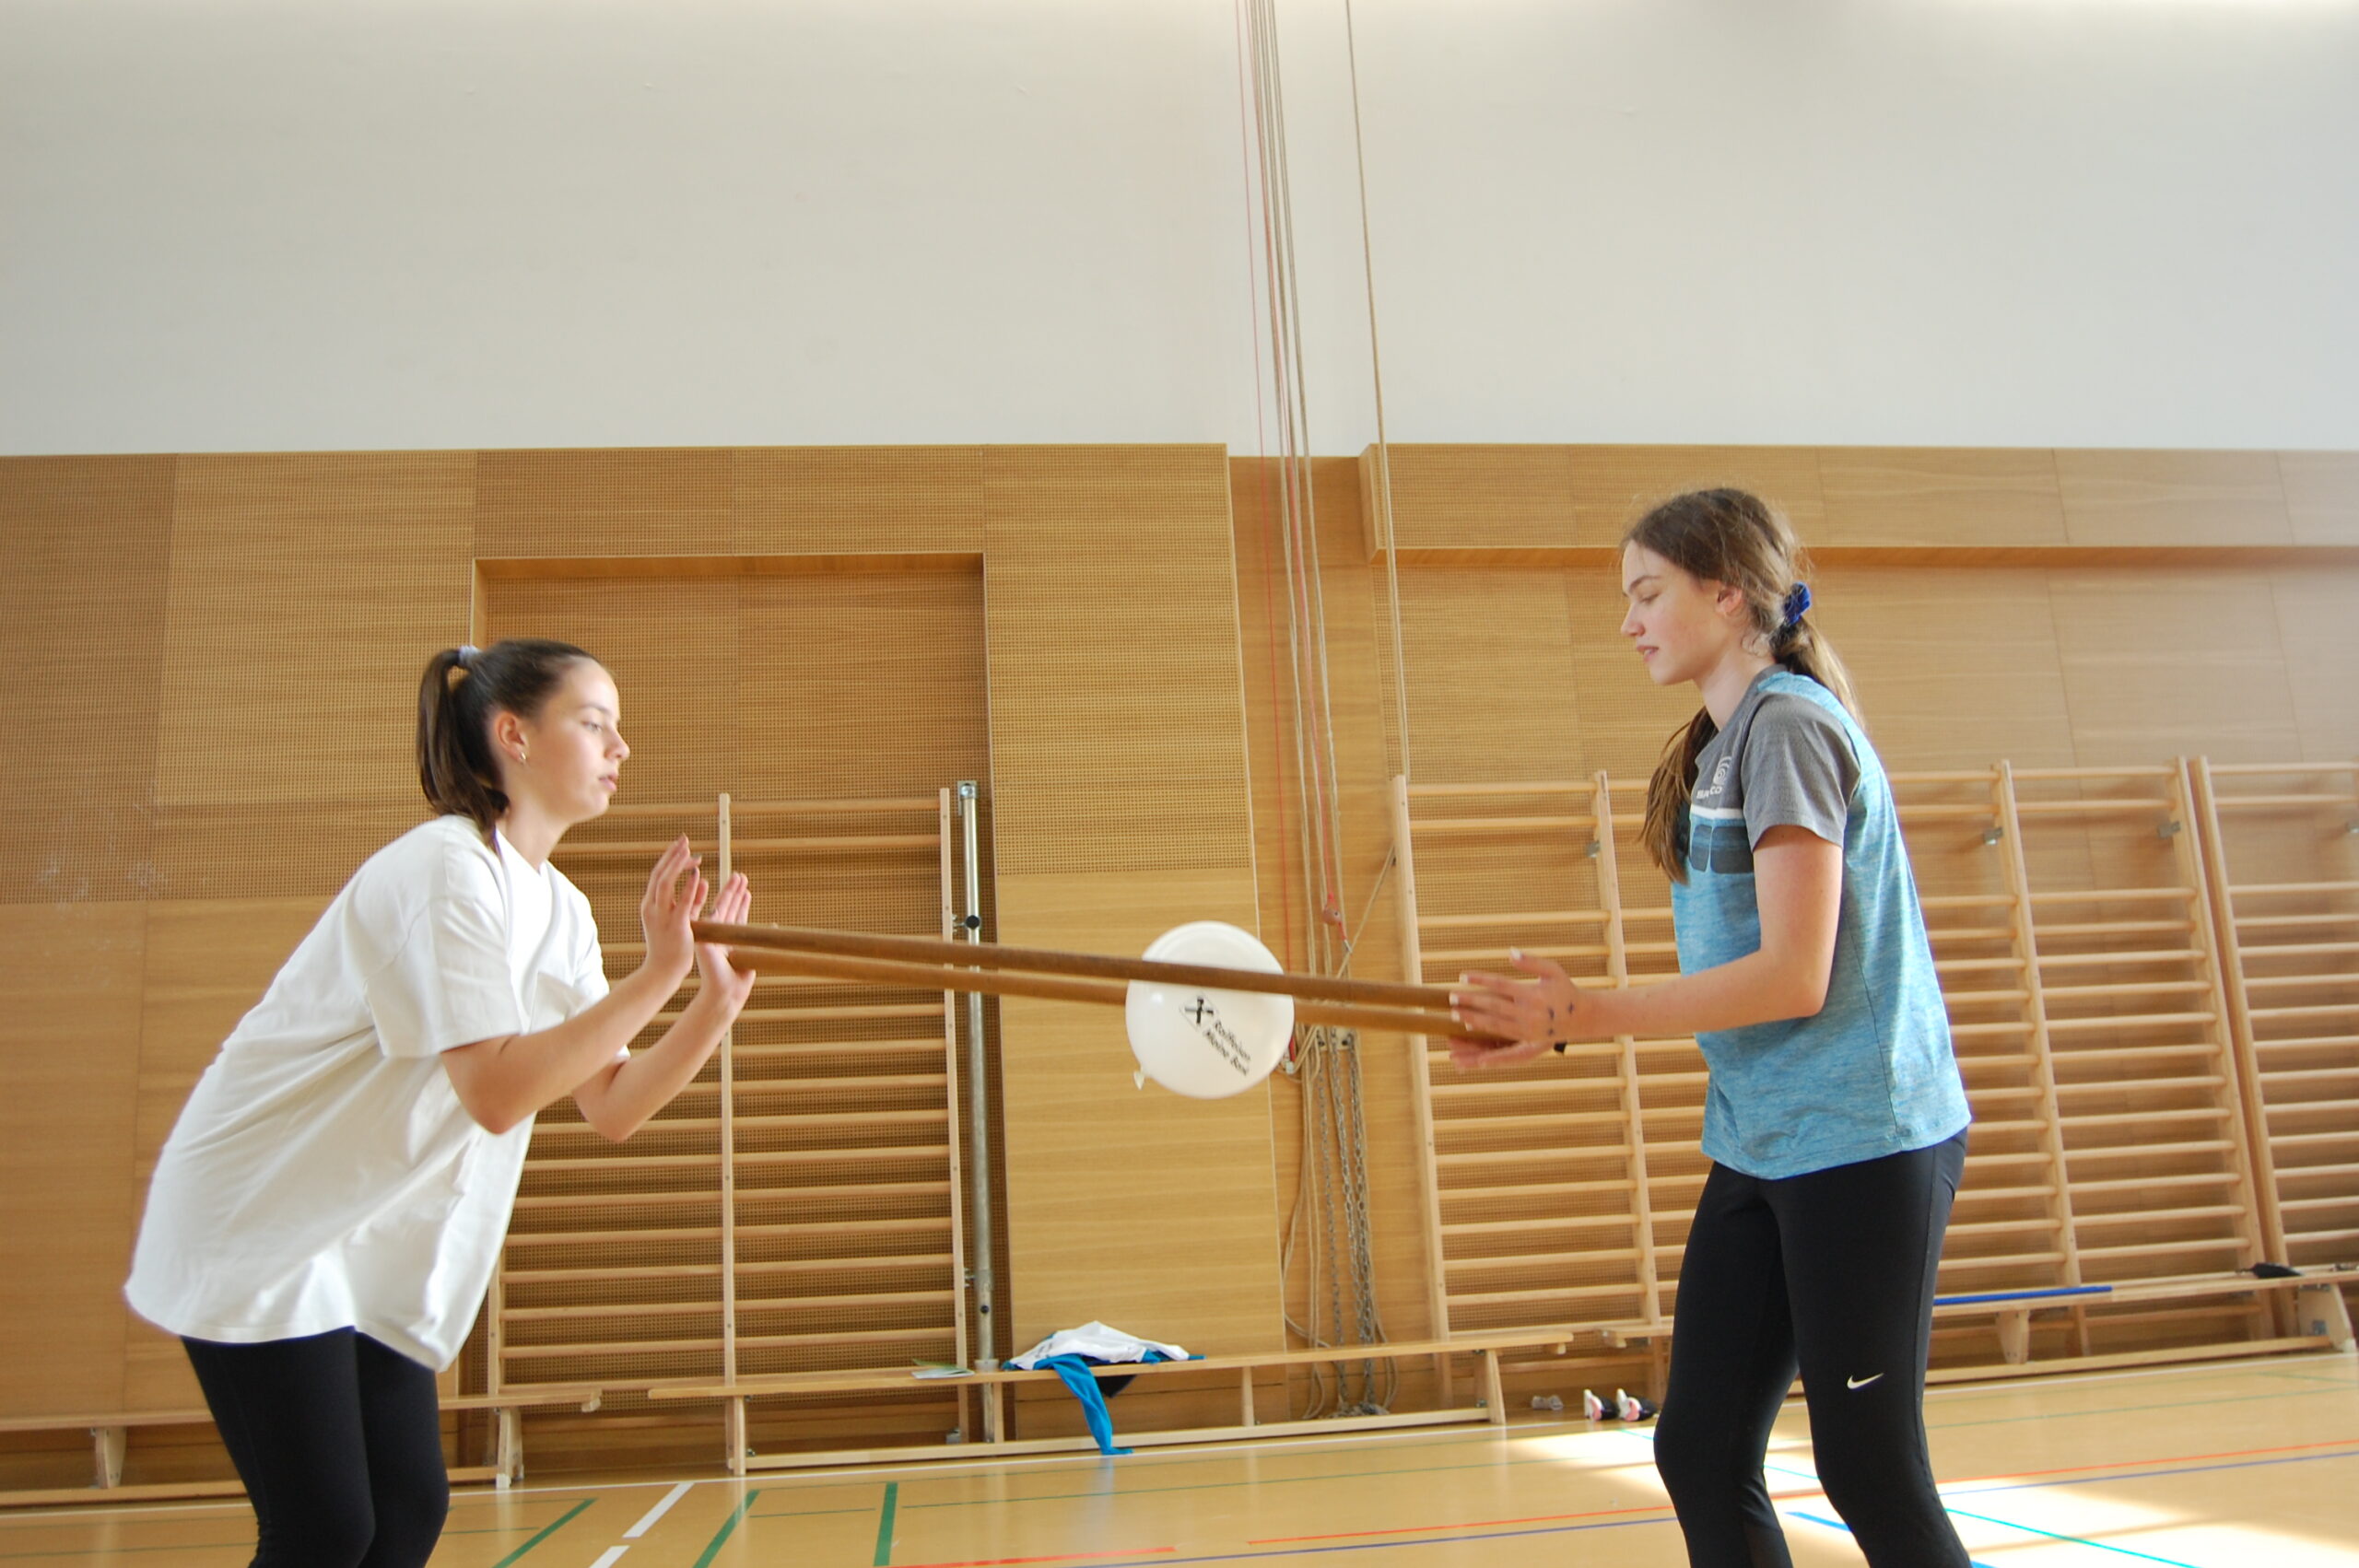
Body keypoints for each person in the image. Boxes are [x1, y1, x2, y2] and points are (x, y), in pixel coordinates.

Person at [126, 638, 756, 1568]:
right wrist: (658, 974)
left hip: (357, 1232)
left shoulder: (562, 909)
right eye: (595, 723)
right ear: (515, 735)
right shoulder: (443, 870)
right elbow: (497, 1092)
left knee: (406, 1510)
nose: (621, 747)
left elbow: (612, 1105)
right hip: (258, 1218)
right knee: (325, 1530)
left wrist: (710, 1002)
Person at [1449, 489, 1973, 1567]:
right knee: (1699, 1444)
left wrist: (1582, 1014)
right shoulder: (1722, 742)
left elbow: (1792, 974)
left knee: (1868, 1465)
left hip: (1862, 1139)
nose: (1629, 620)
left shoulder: (1787, 726)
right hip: (1765, 1136)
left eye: (1649, 593)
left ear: (1726, 593)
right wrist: (1558, 1017)